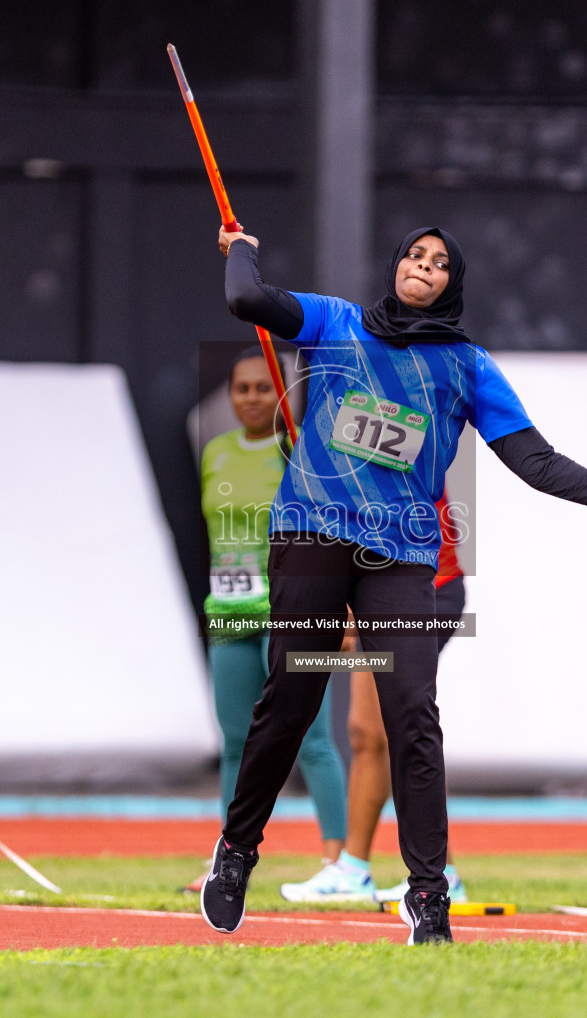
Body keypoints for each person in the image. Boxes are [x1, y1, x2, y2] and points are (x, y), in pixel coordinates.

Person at [201, 223, 587, 944]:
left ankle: (427, 895)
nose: (423, 267)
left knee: (413, 716)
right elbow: (245, 299)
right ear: (395, 266)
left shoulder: (466, 366)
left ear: (452, 284)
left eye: (439, 262)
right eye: (414, 256)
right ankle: (237, 853)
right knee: (291, 701)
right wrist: (241, 247)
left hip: (401, 555)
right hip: (313, 536)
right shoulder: (337, 323)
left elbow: (535, 460)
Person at [192, 346, 349, 891]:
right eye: (243, 388)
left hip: (294, 609)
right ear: (230, 395)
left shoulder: (302, 448)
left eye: (265, 387)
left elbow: (336, 529)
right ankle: (227, 859)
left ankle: (339, 865)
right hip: (229, 612)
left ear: (283, 393)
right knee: (235, 742)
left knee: (313, 740)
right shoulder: (213, 452)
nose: (253, 398)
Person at [279, 502, 469, 904]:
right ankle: (363, 868)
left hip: (418, 587)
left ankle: (422, 872)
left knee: (392, 729)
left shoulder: (380, 452)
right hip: (391, 587)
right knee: (370, 732)